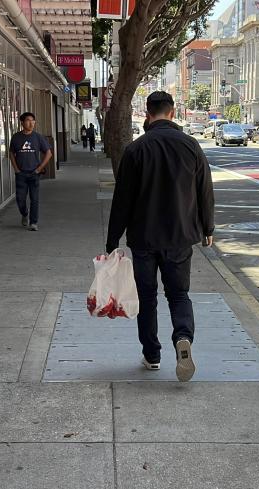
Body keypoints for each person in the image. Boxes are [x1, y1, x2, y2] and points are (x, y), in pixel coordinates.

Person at [106, 91, 215, 382]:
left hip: (143, 238)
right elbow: (204, 188)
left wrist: (112, 239)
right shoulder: (192, 145)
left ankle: (152, 355)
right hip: (180, 236)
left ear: (147, 111)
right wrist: (208, 228)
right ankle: (183, 338)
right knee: (179, 294)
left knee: (147, 297)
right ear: (172, 111)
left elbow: (122, 199)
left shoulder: (135, 149)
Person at [9, 112, 52, 231]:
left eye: (33, 120)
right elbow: (11, 153)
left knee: (35, 199)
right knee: (20, 199)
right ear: (22, 123)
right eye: (28, 120)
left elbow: (48, 153)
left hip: (34, 173)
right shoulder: (16, 137)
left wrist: (39, 168)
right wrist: (16, 169)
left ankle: (33, 222)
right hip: (21, 174)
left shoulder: (38, 137)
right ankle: (24, 213)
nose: (31, 123)